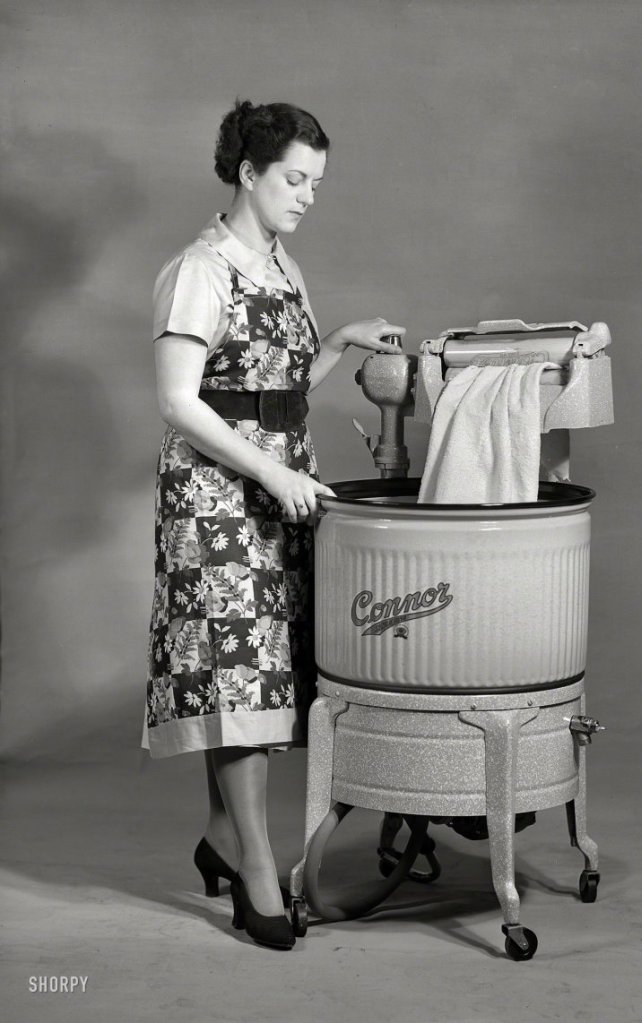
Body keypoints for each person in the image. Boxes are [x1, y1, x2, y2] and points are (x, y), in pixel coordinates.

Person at [142, 99, 404, 950]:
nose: (307, 197)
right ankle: (256, 867)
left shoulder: (282, 265)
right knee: (239, 675)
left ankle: (223, 837)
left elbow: (275, 391)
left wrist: (339, 344)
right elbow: (181, 401)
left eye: (316, 183)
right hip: (216, 492)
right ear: (249, 173)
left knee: (263, 669)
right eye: (294, 179)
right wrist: (270, 471)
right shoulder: (200, 269)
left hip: (277, 481)